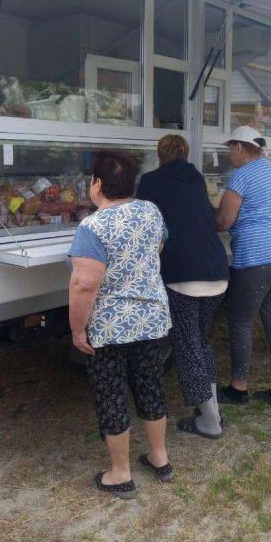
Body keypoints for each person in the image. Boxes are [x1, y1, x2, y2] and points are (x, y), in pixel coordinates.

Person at [68, 150, 173, 499]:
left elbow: (84, 283)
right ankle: (159, 458)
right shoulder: (151, 211)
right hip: (151, 320)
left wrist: (77, 329)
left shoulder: (93, 226)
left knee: (112, 394)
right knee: (150, 385)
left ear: (97, 183)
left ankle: (120, 473)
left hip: (110, 328)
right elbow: (156, 249)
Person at [137, 135, 229, 439]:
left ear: (159, 153)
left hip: (182, 275)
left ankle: (210, 421)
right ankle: (214, 407)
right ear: (186, 153)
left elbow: (146, 225)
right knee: (200, 342)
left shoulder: (150, 182)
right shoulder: (197, 179)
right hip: (216, 269)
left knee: (187, 347)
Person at [215, 126, 271, 409]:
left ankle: (238, 388)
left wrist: (206, 216)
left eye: (230, 149)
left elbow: (224, 221)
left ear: (240, 147)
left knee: (241, 321)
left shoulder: (240, 175)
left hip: (258, 258)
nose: (230, 155)